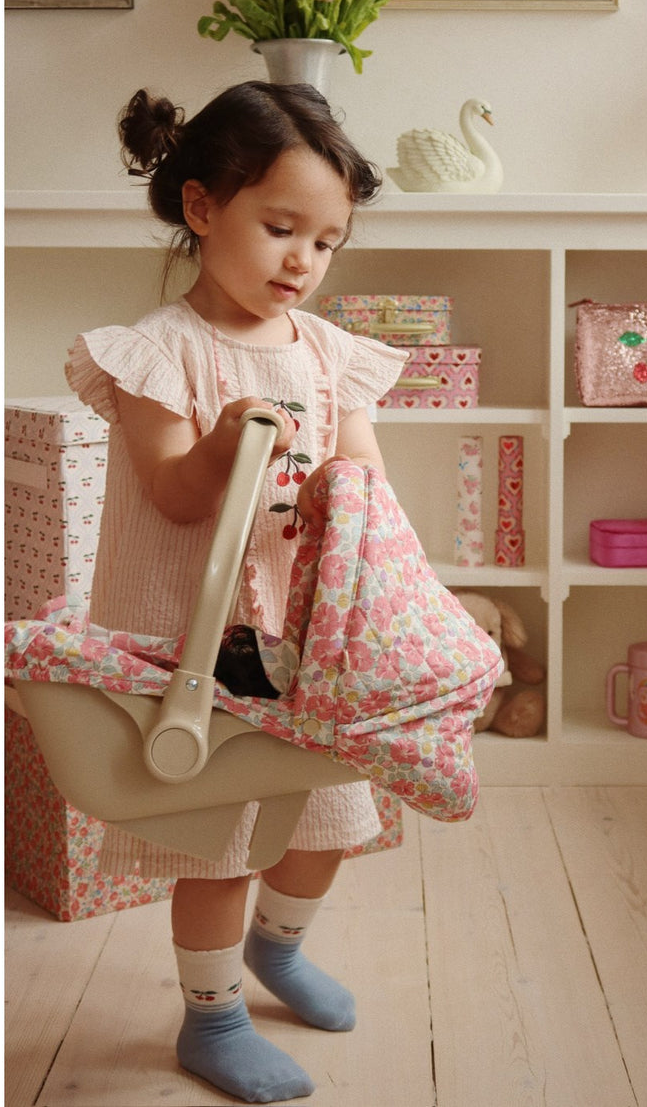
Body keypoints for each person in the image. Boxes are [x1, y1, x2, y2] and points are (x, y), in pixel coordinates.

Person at [64, 81, 408, 1103]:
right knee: (219, 839)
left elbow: (365, 479)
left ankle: (279, 947)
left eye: (327, 242)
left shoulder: (327, 354)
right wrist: (225, 443)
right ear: (203, 207)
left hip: (306, 632)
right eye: (281, 228)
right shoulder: (156, 353)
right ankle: (210, 1017)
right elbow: (173, 495)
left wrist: (370, 534)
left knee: (329, 819)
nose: (303, 260)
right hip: (198, 638)